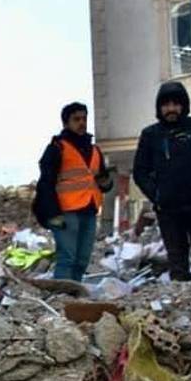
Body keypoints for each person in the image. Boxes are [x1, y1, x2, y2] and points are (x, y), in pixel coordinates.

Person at [132, 81, 191, 281]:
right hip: (168, 208)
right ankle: (183, 297)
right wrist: (157, 194)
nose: (171, 109)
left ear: (183, 105)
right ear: (159, 108)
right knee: (177, 262)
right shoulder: (151, 135)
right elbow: (140, 171)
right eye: (166, 104)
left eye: (176, 104)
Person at [33, 102, 114, 281]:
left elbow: (103, 181)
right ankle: (62, 294)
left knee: (82, 260)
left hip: (90, 210)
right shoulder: (57, 148)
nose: (81, 123)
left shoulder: (95, 150)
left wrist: (106, 182)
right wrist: (52, 213)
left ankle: (74, 292)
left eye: (84, 119)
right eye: (76, 119)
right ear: (66, 123)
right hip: (66, 212)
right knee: (67, 258)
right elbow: (46, 183)